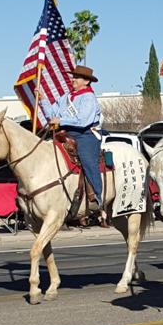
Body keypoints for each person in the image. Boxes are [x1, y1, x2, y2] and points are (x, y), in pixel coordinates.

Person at [49, 65, 104, 214]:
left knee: (87, 159)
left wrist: (60, 121)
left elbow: (83, 120)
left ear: (86, 81)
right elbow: (53, 111)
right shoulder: (66, 97)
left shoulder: (89, 97)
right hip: (66, 133)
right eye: (73, 77)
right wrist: (41, 100)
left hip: (85, 134)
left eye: (76, 77)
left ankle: (98, 197)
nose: (73, 79)